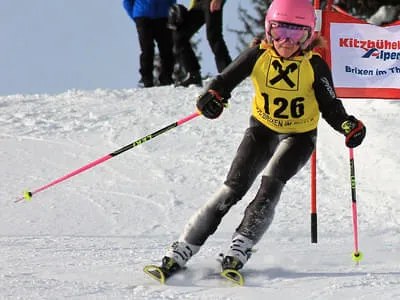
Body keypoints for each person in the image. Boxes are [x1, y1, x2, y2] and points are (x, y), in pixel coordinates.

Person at [152, 0, 367, 276]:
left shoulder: (314, 65)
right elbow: (223, 81)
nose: (286, 42)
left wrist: (349, 125)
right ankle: (183, 247)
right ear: (269, 31)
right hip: (262, 130)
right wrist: (211, 98)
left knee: (270, 186)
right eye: (280, 32)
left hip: (299, 136)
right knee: (232, 188)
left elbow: (331, 108)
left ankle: (241, 245)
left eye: (296, 34)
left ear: (309, 35)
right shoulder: (258, 55)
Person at [169, 0, 232, 87]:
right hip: (197, 4)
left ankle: (228, 72)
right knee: (180, 35)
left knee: (213, 36)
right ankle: (193, 75)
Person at [123, 0, 176, 88]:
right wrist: (136, 17)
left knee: (166, 49)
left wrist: (169, 10)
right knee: (147, 49)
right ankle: (146, 79)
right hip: (143, 16)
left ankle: (166, 78)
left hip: (163, 16)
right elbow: (127, 2)